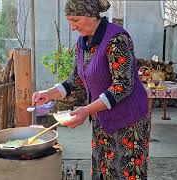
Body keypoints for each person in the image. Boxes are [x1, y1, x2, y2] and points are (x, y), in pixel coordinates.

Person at [32, 0, 149, 179]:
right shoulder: (82, 43)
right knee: (103, 170)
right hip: (102, 119)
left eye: (75, 20)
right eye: (69, 20)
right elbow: (77, 79)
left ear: (92, 15)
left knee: (125, 173)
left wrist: (86, 110)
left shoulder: (117, 39)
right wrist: (49, 94)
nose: (72, 27)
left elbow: (123, 85)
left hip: (128, 121)